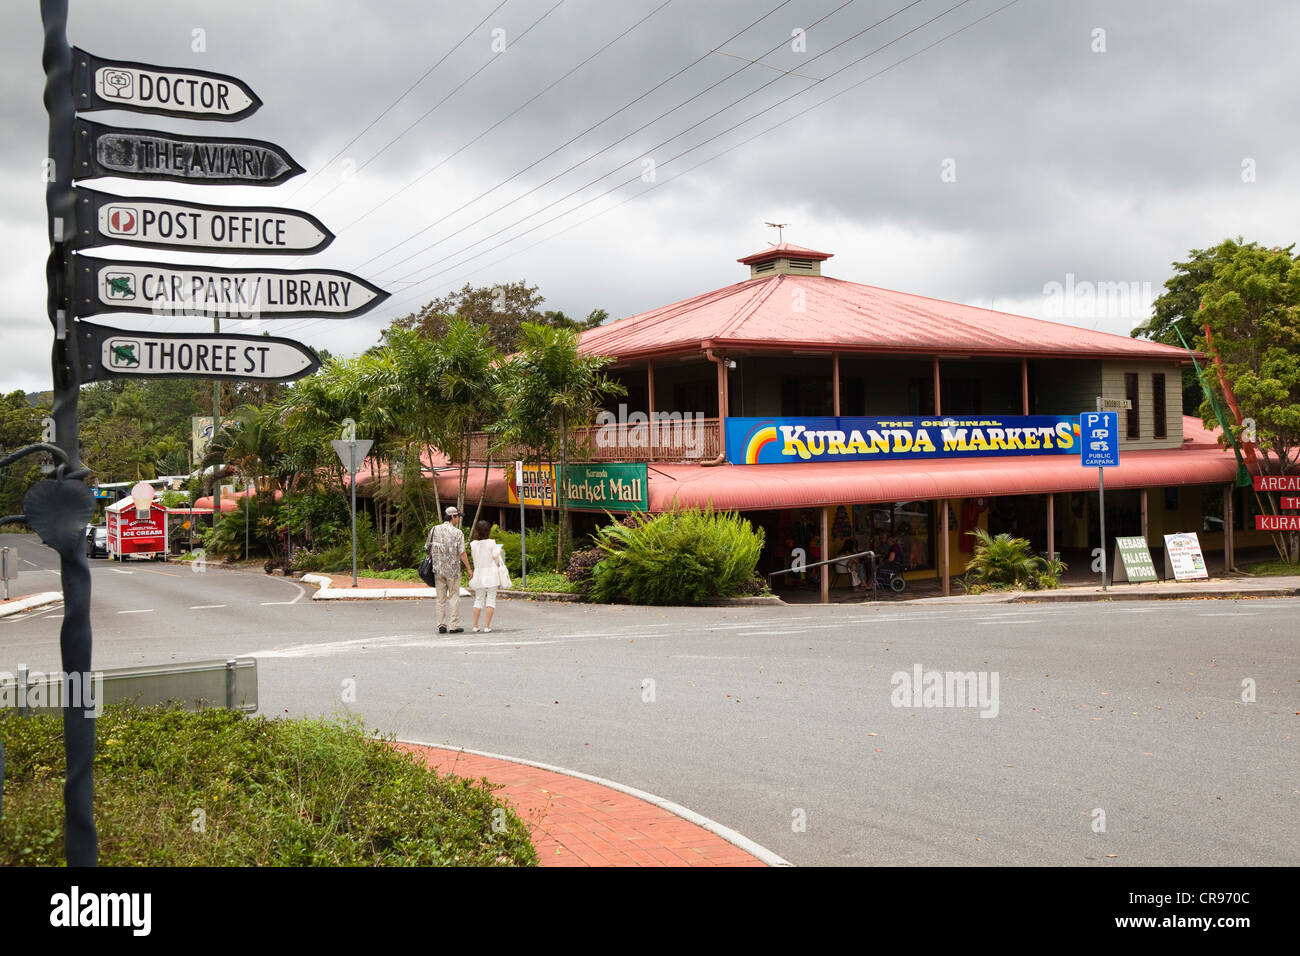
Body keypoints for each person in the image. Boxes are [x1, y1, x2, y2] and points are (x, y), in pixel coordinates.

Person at [427, 506, 472, 634]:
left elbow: (428, 547)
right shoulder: (458, 533)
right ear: (453, 517)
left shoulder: (434, 529)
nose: (458, 519)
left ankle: (441, 624)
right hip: (453, 571)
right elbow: (462, 552)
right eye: (457, 516)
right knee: (454, 597)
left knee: (440, 599)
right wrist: (469, 568)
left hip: (438, 569)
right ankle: (453, 625)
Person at [468, 519, 508, 633]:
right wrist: (499, 548)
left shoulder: (473, 544)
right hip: (491, 574)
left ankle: (475, 626)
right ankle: (487, 626)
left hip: (479, 574)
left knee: (478, 599)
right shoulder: (491, 542)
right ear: (488, 531)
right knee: (491, 600)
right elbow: (495, 556)